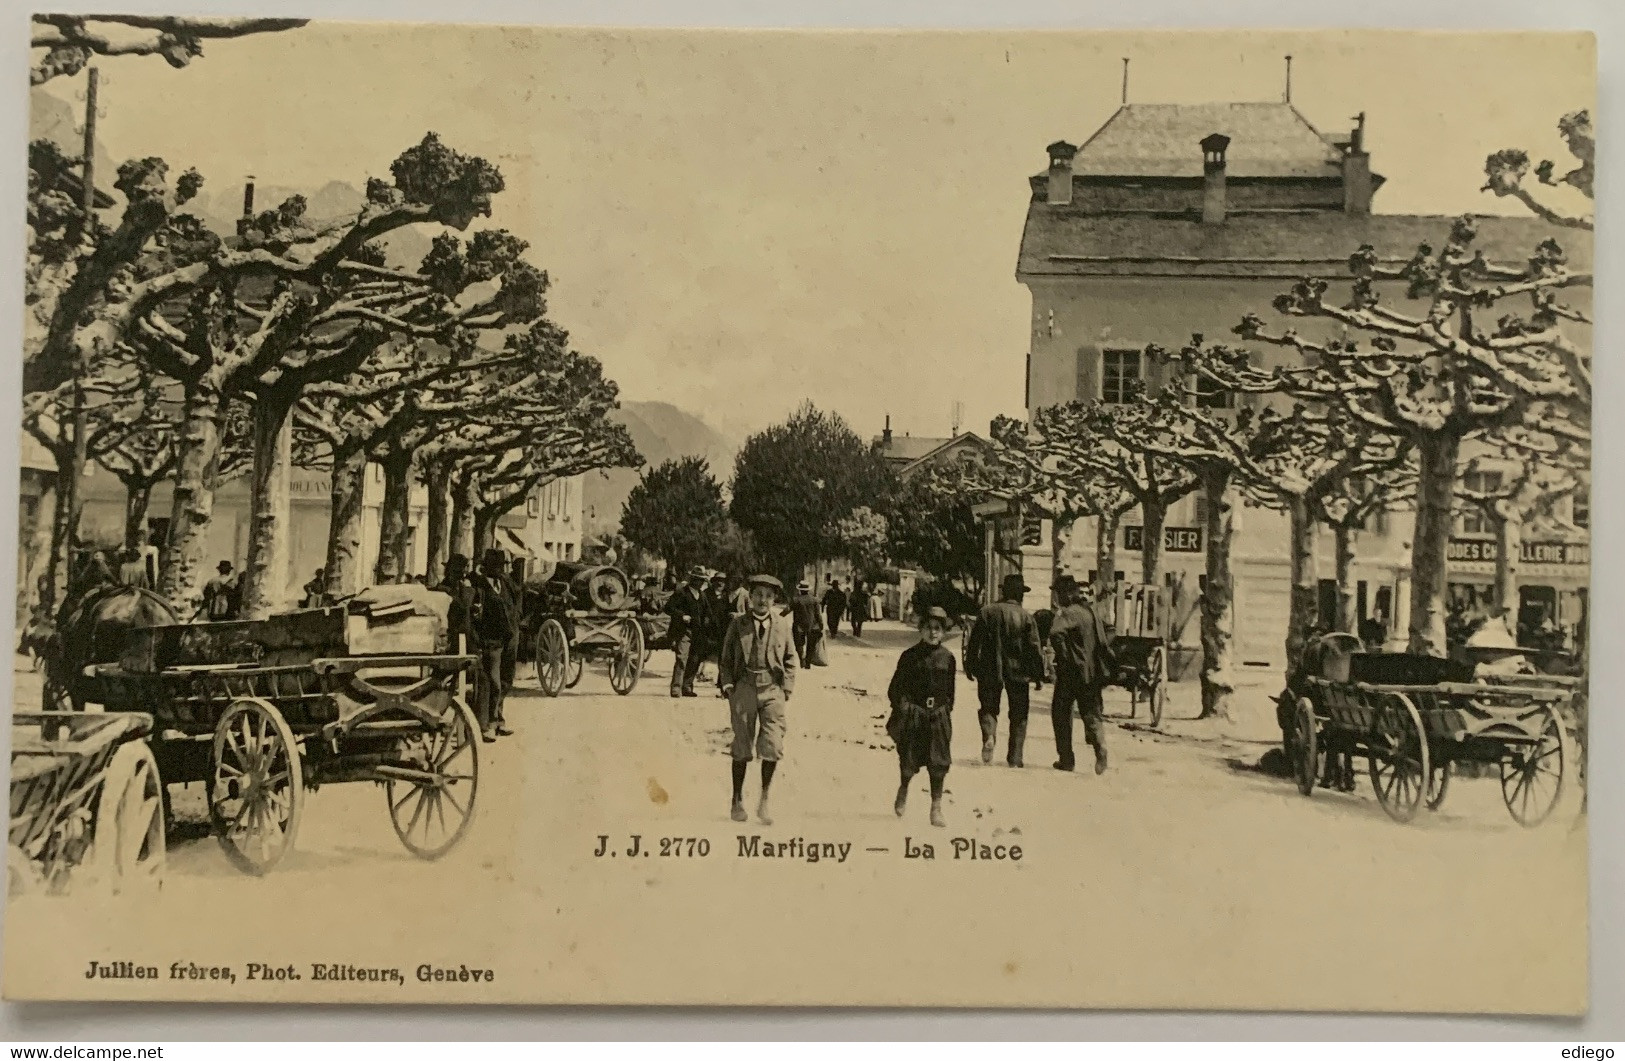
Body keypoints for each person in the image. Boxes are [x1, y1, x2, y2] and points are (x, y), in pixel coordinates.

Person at [718, 574, 798, 825]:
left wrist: (785, 690)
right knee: (742, 744)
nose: (763, 600)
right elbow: (726, 660)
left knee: (773, 745)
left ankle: (764, 799)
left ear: (775, 599)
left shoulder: (783, 626)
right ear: (750, 597)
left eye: (768, 596)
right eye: (758, 595)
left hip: (772, 690)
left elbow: (790, 659)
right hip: (744, 688)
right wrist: (730, 687)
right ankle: (737, 799)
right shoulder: (737, 624)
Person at [885, 606, 957, 827]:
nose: (933, 632)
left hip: (938, 716)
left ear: (943, 632)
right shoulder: (909, 657)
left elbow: (950, 691)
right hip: (914, 714)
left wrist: (944, 710)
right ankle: (904, 788)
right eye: (928, 628)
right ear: (921, 629)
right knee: (909, 758)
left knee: (939, 761)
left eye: (938, 629)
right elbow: (895, 689)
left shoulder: (948, 658)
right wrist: (905, 709)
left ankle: (936, 808)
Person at [964, 573, 1045, 767]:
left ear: (1004, 591)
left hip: (989, 669)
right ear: (1021, 595)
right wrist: (1038, 675)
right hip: (1019, 672)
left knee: (988, 708)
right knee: (1019, 714)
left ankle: (989, 736)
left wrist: (970, 666)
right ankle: (1015, 757)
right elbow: (1034, 649)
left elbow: (974, 643)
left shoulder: (986, 612)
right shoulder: (1026, 617)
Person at [1047, 575, 1117, 775]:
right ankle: (1100, 746)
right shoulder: (1091, 612)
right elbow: (1109, 632)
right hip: (1093, 672)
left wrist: (1065, 656)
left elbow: (1055, 633)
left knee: (1061, 713)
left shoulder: (1068, 613)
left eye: (1059, 594)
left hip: (1071, 673)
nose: (1057, 598)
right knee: (1091, 712)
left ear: (1068, 594)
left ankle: (1066, 759)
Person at [436, 554, 492, 738]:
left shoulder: (461, 587)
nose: (463, 574)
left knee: (482, 679)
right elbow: (462, 606)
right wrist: (469, 592)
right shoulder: (442, 589)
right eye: (460, 570)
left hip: (468, 643)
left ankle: (480, 725)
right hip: (449, 645)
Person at [472, 549, 518, 740]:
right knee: (493, 681)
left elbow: (517, 600)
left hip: (509, 638)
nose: (501, 570)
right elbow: (473, 615)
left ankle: (499, 719)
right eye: (497, 567)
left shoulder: (505, 583)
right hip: (490, 640)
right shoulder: (479, 587)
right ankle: (487, 724)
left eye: (502, 566)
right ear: (488, 568)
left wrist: (516, 622)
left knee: (506, 679)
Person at [664, 566, 710, 697]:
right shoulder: (681, 592)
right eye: (698, 580)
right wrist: (682, 615)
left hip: (698, 631)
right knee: (682, 658)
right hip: (683, 631)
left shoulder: (702, 595)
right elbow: (668, 608)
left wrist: (706, 620)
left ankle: (687, 686)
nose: (700, 583)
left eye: (702, 580)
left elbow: (707, 612)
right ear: (692, 580)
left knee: (695, 659)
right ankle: (676, 687)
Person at [789, 579, 824, 669]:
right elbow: (818, 614)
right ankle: (808, 662)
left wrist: (777, 616)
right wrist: (821, 625)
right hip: (812, 626)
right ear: (808, 590)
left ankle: (801, 658)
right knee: (811, 644)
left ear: (800, 590)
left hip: (799, 626)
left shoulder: (796, 600)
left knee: (799, 644)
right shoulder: (814, 600)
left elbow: (786, 611)